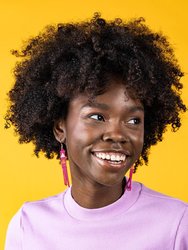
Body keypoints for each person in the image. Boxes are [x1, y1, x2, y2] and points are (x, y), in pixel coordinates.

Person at [5, 13, 188, 250]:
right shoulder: (27, 226)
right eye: (97, 117)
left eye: (133, 120)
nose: (117, 134)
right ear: (60, 127)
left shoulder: (177, 224)